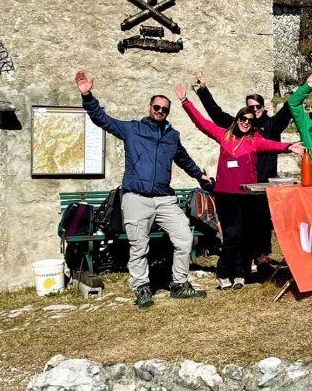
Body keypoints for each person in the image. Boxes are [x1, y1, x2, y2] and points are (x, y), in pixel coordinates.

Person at [75, 70, 212, 309]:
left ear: (168, 112)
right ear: (150, 107)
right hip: (136, 198)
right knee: (139, 246)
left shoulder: (172, 136)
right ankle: (141, 288)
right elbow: (102, 119)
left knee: (184, 238)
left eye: (165, 109)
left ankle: (179, 284)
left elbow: (183, 158)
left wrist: (199, 174)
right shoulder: (132, 129)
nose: (160, 111)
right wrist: (88, 96)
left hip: (164, 199)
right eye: (156, 107)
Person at [175, 85, 304, 289]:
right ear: (237, 120)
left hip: (246, 195)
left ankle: (240, 274)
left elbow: (273, 146)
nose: (246, 123)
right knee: (232, 235)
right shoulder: (224, 136)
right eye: (243, 119)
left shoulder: (254, 141)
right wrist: (185, 102)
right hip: (226, 195)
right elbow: (201, 123)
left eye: (250, 121)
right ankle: (224, 271)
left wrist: (289, 147)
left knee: (244, 235)